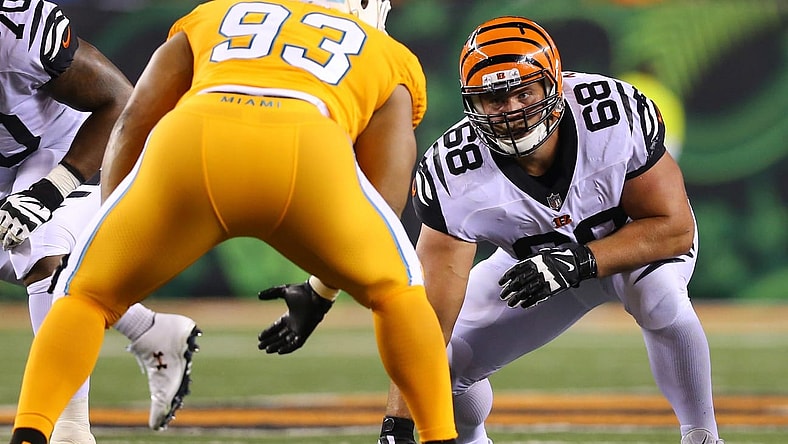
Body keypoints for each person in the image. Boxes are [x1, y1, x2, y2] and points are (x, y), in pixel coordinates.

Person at [6, 1, 459, 443]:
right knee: (399, 294)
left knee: (83, 297)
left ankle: (31, 433)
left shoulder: (217, 13)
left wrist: (114, 229)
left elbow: (136, 116)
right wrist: (324, 289)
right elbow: (384, 192)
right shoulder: (387, 54)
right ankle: (440, 437)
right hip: (306, 154)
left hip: (190, 143)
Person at [260, 15, 724, 444]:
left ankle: (702, 435)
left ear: (555, 85)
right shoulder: (454, 170)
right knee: (440, 368)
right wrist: (398, 423)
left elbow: (673, 229)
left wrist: (580, 261)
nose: (512, 111)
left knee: (659, 295)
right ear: (471, 103)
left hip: (631, 249)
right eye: (495, 99)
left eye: (524, 93)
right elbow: (429, 317)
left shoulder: (608, 112)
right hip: (534, 267)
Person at [0, 1, 201, 441]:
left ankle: (70, 428)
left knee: (40, 252)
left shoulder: (19, 32)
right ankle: (150, 329)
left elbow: (119, 101)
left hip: (60, 149)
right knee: (22, 258)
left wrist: (45, 194)